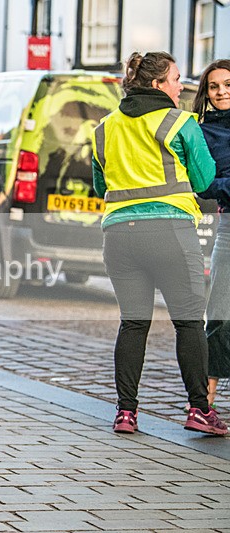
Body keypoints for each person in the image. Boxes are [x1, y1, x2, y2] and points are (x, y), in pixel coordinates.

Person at [91, 51, 227, 435]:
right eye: (175, 79)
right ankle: (200, 409)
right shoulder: (180, 121)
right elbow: (203, 181)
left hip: (118, 235)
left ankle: (126, 413)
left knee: (133, 323)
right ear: (157, 85)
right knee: (188, 322)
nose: (180, 86)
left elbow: (101, 186)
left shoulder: (103, 128)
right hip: (170, 232)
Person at [193, 59, 230, 410]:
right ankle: (205, 400)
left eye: (228, 84)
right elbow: (201, 185)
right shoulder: (204, 132)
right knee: (219, 312)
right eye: (215, 86)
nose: (221, 92)